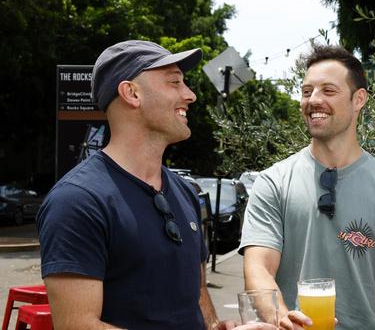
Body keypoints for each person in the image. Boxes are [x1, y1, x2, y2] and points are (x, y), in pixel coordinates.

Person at [37, 40, 275, 330]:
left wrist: (216, 328)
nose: (190, 95)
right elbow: (77, 325)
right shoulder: (78, 200)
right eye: (174, 82)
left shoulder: (186, 192)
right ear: (131, 93)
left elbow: (195, 292)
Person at [239, 45, 375, 330]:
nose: (314, 100)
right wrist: (283, 319)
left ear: (359, 100)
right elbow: (258, 268)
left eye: (328, 91)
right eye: (307, 92)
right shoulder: (273, 183)